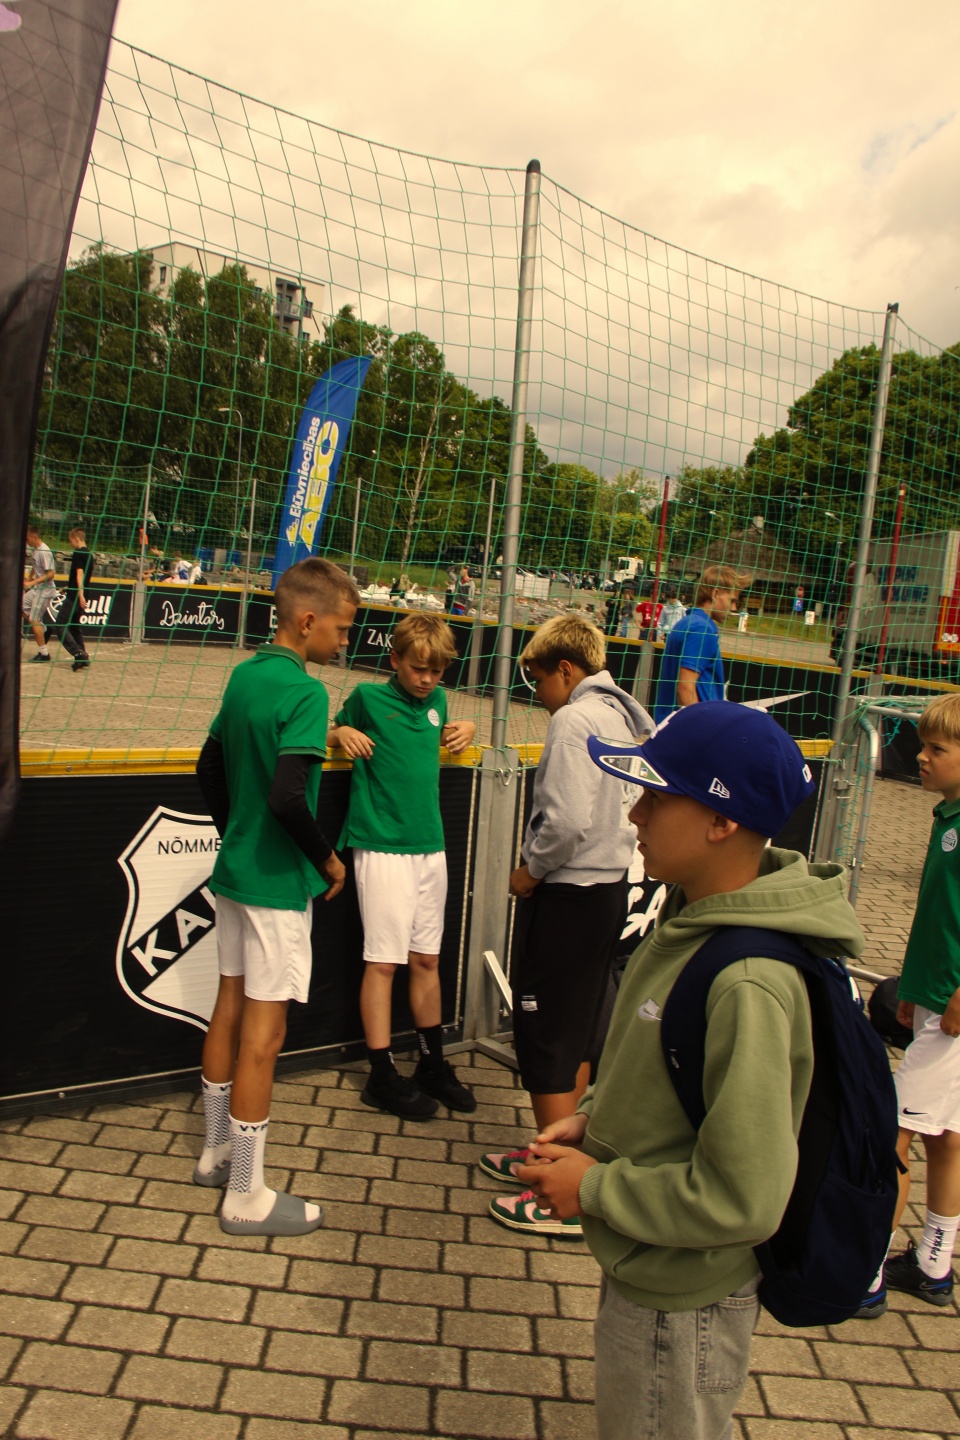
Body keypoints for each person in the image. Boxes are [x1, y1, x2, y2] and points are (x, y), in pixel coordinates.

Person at [519, 701, 859, 1439]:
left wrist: (595, 1187)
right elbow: (662, 1070)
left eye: (655, 796)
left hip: (682, 1303)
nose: (633, 813)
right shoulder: (690, 918)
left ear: (720, 821)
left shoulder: (747, 981)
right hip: (652, 1267)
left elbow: (744, 1198)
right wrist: (594, 1118)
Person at [193, 557, 359, 1236]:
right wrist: (327, 859)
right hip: (275, 886)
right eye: (341, 629)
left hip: (236, 873)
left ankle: (216, 1154)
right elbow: (289, 797)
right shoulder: (305, 693)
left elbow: (208, 767)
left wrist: (237, 830)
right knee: (265, 1038)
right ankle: (246, 1196)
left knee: (228, 1008)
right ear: (307, 620)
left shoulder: (244, 675)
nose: (345, 642)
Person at [483, 615, 653, 1238]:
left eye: (538, 681)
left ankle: (561, 1190)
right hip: (607, 891)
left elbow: (566, 821)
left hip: (569, 892)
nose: (538, 694)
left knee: (547, 1036)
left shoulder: (576, 719)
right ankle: (555, 1155)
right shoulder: (624, 714)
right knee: (580, 1033)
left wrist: (530, 870)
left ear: (565, 668)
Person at [328, 613, 477, 1120]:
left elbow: (446, 728)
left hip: (430, 847)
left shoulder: (438, 702)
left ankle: (431, 1064)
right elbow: (331, 731)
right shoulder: (368, 698)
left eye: (436, 671)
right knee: (383, 963)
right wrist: (343, 732)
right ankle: (381, 1075)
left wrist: (471, 725)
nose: (427, 679)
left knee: (427, 960)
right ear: (395, 660)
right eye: (418, 669)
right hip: (382, 846)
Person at [867, 692, 960, 1312]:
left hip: (954, 1016)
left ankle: (864, 1272)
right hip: (934, 1000)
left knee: (889, 1132)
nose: (921, 757)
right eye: (922, 746)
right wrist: (914, 990)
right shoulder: (946, 815)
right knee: (946, 1136)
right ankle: (933, 1264)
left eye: (936, 749)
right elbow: (939, 917)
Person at [652, 563, 742, 723]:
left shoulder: (686, 623)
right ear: (715, 593)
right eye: (732, 600)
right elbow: (685, 689)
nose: (734, 608)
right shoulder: (701, 629)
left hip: (671, 724)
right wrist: (702, 729)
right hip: (685, 729)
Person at [52, 526, 94, 672]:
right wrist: (68, 587)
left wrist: (79, 594)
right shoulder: (90, 555)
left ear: (76, 539)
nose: (70, 544)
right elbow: (83, 579)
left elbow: (79, 575)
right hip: (82, 593)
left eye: (71, 541)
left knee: (60, 624)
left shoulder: (78, 553)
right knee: (75, 627)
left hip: (76, 596)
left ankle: (78, 653)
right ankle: (82, 657)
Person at [22, 523, 58, 663]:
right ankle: (43, 629)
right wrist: (30, 577)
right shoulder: (35, 551)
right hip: (37, 589)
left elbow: (51, 574)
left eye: (27, 539)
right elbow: (35, 565)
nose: (27, 542)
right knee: (19, 606)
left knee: (34, 620)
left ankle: (44, 653)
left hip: (45, 591)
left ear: (34, 536)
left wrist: (32, 583)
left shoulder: (44, 551)